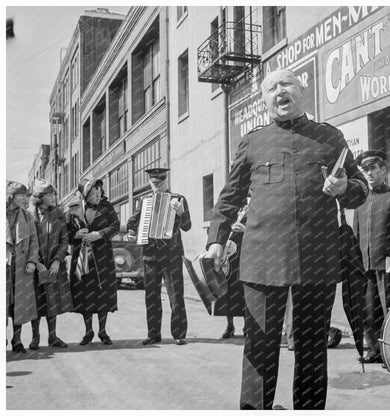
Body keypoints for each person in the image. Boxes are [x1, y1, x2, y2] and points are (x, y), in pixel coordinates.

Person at [205, 69, 368, 410]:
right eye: (271, 88)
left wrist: (345, 188)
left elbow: (361, 188)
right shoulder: (253, 141)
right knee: (259, 348)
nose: (280, 91)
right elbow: (229, 196)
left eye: (287, 84)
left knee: (311, 350)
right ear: (264, 101)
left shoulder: (331, 137)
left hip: (317, 260)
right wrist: (216, 240)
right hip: (262, 260)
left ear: (301, 91)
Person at [354, 150, 390, 364]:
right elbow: (357, 234)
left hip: (387, 266)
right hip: (366, 265)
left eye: (373, 169)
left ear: (383, 170)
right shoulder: (361, 201)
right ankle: (374, 350)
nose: (369, 173)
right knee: (368, 311)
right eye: (365, 170)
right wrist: (356, 262)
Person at [126, 168, 191, 346]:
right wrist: (132, 232)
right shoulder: (145, 200)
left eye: (161, 183)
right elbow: (133, 221)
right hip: (150, 256)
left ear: (166, 181)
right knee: (152, 297)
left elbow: (187, 226)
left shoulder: (179, 199)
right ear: (150, 183)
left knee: (176, 296)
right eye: (155, 183)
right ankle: (153, 334)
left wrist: (180, 213)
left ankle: (179, 334)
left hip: (172, 255)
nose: (158, 186)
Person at [66, 178, 120, 346]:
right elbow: (64, 234)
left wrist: (100, 234)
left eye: (99, 192)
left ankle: (103, 331)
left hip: (102, 257)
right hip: (82, 259)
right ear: (85, 195)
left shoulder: (107, 207)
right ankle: (88, 331)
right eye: (94, 193)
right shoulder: (73, 210)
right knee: (84, 293)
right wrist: (75, 236)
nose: (98, 195)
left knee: (102, 292)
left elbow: (115, 226)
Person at [26, 179, 73, 350]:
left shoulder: (58, 214)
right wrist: (36, 263)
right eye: (49, 194)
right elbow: (26, 242)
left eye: (53, 193)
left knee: (53, 301)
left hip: (53, 266)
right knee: (37, 302)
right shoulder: (28, 215)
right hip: (34, 267)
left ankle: (52, 336)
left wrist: (57, 260)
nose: (53, 197)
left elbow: (64, 239)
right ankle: (35, 337)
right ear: (40, 196)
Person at [6, 181, 39, 353]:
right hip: (4, 267)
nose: (24, 198)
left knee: (19, 304)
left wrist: (32, 261)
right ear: (11, 196)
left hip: (21, 266)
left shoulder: (27, 216)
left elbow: (34, 241)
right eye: (21, 195)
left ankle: (17, 340)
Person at [213, 198, 249, 339]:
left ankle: (247, 327)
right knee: (227, 291)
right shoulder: (230, 212)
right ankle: (230, 326)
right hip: (227, 258)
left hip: (243, 255)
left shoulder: (254, 210)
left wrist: (245, 229)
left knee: (243, 291)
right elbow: (217, 226)